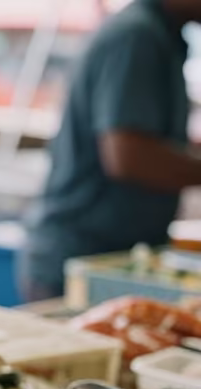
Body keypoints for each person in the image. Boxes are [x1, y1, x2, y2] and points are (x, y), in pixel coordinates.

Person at [21, 0, 201, 301]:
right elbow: (129, 157)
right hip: (84, 258)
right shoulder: (136, 36)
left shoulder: (160, 37)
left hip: (114, 254)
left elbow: (151, 139)